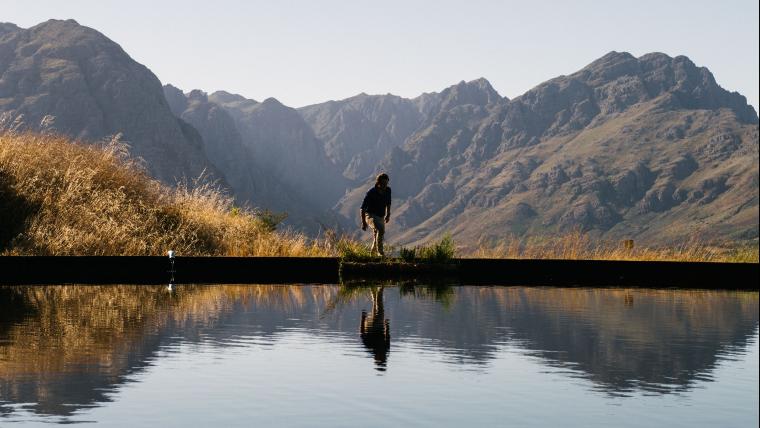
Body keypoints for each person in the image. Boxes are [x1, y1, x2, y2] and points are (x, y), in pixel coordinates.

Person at [361, 173, 391, 257]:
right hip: (370, 215)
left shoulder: (388, 191)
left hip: (381, 216)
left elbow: (388, 203)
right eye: (383, 184)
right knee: (380, 230)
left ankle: (372, 254)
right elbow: (362, 209)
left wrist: (388, 214)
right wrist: (363, 223)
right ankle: (380, 252)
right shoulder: (371, 192)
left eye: (386, 183)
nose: (385, 185)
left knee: (377, 235)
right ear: (378, 183)